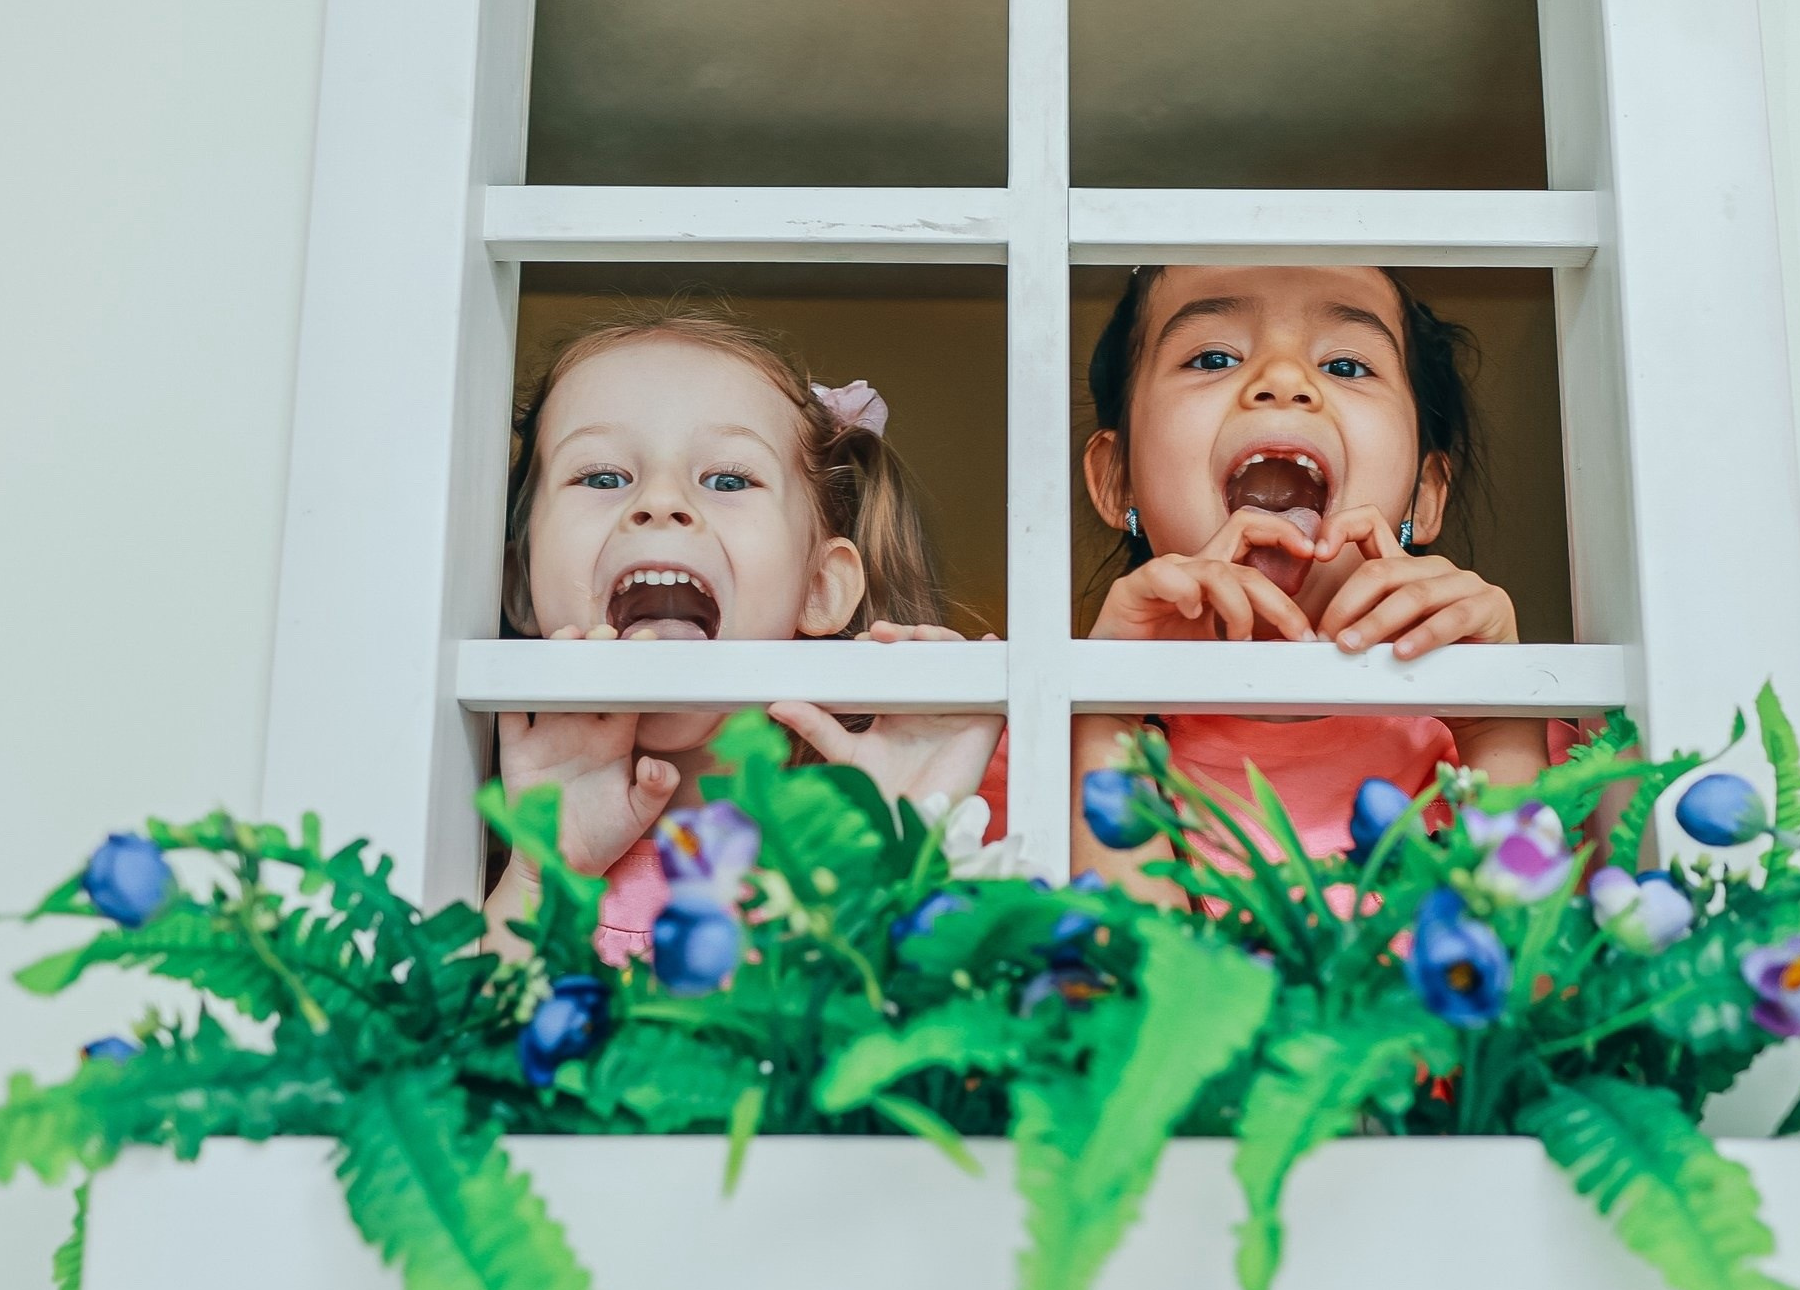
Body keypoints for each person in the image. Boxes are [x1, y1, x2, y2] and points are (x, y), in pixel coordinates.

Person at [485, 308, 1003, 963]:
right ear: (519, 585)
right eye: (603, 477)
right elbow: (427, 1055)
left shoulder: (844, 863)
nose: (661, 501)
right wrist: (539, 876)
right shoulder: (477, 858)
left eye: (728, 479)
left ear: (820, 587)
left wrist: (901, 847)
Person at [1072, 265, 1561, 897]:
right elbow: (1112, 987)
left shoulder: (1550, 759)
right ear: (1118, 480)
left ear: (1425, 497)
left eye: (1348, 367)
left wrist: (1499, 735)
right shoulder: (1021, 760)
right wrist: (1103, 712)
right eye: (1214, 356)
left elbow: (1539, 990)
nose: (1282, 381)